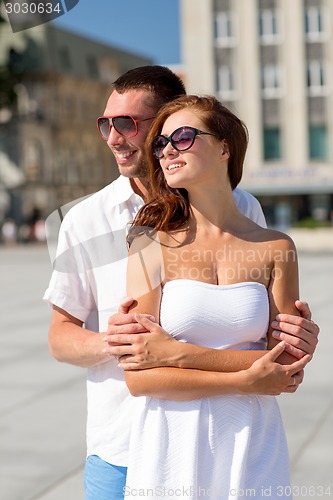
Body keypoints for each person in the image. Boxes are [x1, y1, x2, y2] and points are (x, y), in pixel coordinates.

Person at [43, 66, 319, 500]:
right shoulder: (87, 221)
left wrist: (297, 339)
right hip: (123, 445)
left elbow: (280, 360)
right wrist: (119, 344)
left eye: (129, 124)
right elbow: (61, 335)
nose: (115, 137)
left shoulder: (251, 215)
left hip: (244, 445)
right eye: (106, 124)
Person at [122, 94, 311, 499]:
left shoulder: (277, 247)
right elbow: (139, 378)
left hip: (250, 442)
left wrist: (176, 353)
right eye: (161, 143)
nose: (168, 149)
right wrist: (246, 378)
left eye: (184, 136)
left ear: (225, 147)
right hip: (169, 443)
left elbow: (285, 372)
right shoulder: (148, 244)